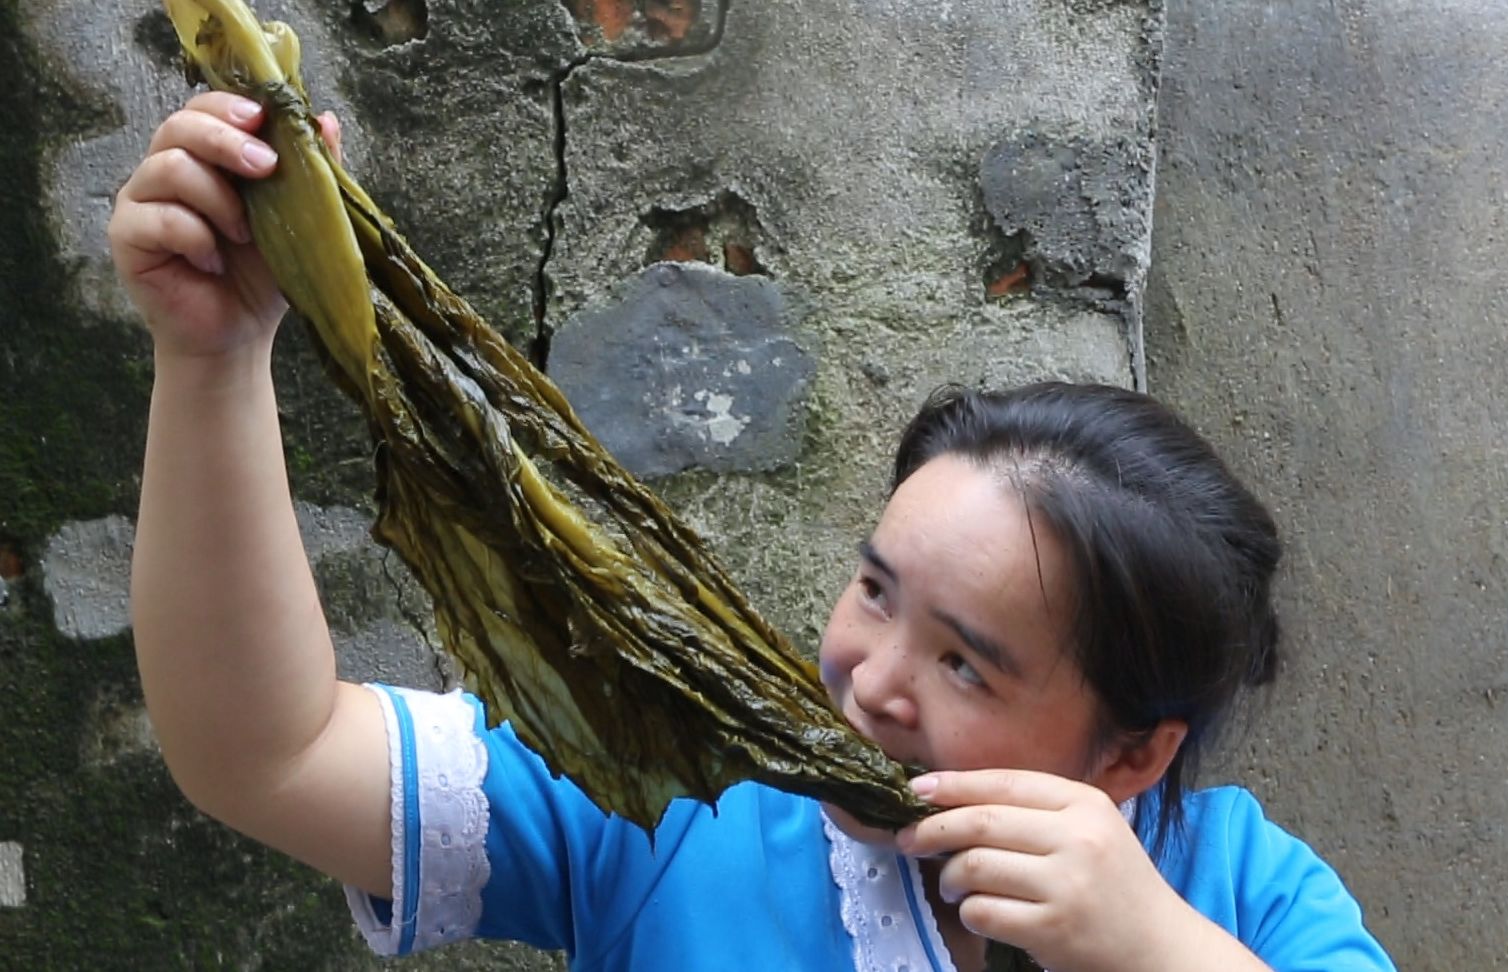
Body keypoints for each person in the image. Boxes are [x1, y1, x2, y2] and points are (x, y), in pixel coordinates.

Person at [109, 91, 1397, 972]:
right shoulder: (686, 794)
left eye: (966, 664)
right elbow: (266, 754)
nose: (867, 683)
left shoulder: (1248, 900)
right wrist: (214, 358)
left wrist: (1158, 946)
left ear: (1130, 754)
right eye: (877, 592)